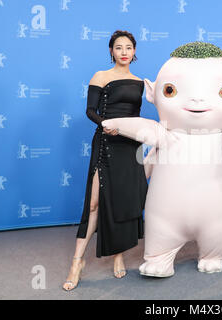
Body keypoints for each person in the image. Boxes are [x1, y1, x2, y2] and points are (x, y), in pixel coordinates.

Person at [63, 30, 148, 291]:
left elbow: (135, 116)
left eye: (129, 47)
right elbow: (90, 110)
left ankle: (118, 254)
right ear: (111, 51)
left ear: (134, 52)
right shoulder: (101, 76)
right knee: (94, 204)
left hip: (130, 145)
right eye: (119, 47)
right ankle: (77, 262)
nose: (124, 51)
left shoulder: (139, 82)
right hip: (107, 142)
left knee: (122, 201)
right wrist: (106, 124)